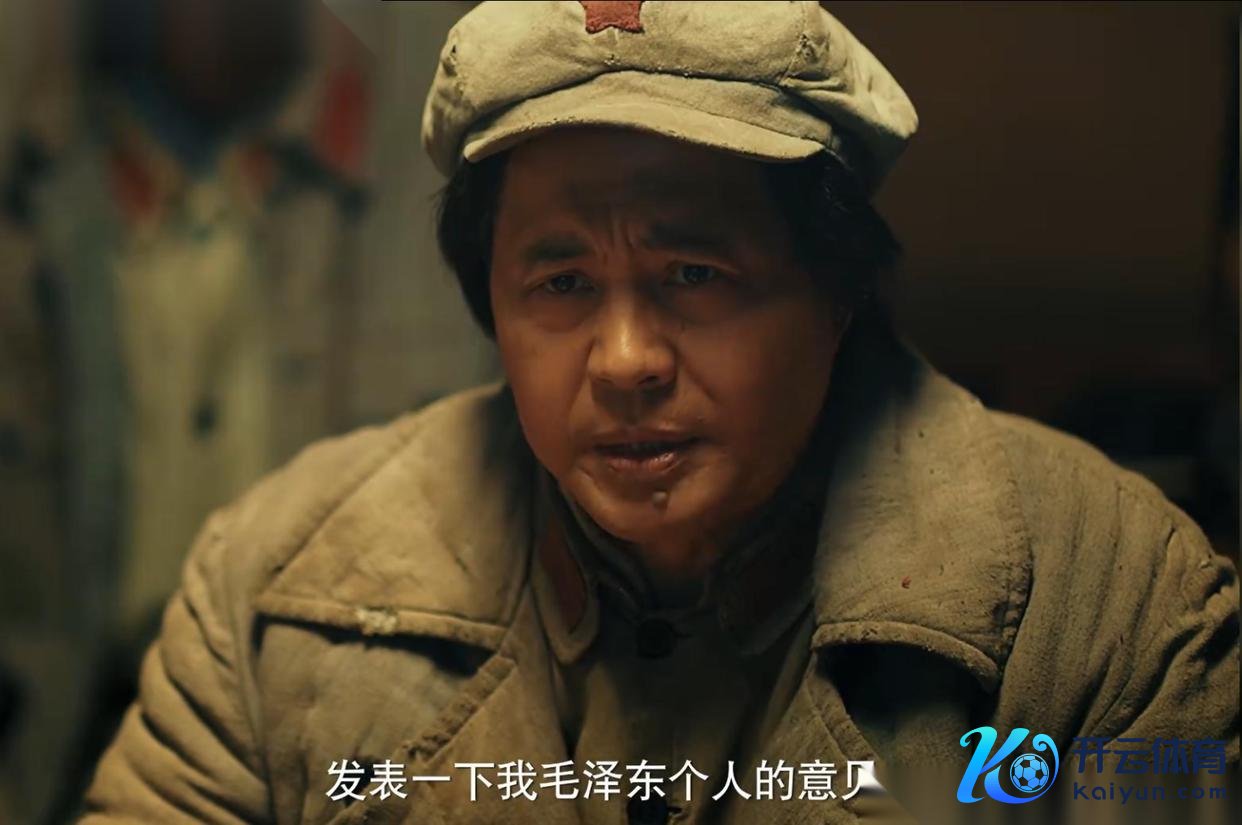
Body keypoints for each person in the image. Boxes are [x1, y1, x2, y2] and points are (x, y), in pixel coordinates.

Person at [81, 2, 1238, 823]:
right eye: (560, 283)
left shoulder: (1106, 605)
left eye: (696, 273)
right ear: (489, 304)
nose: (626, 361)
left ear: (836, 293)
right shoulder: (278, 590)